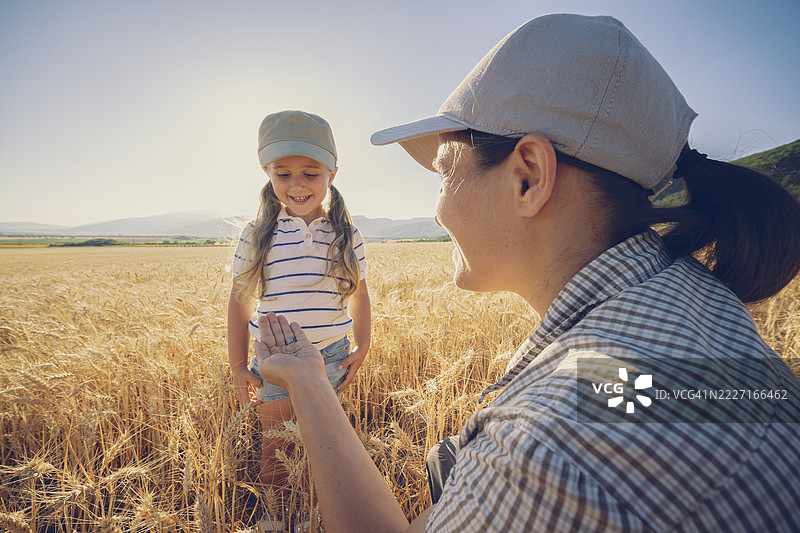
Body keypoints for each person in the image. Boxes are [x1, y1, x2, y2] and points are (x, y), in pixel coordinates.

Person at [252, 14, 800, 533]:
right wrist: (312, 379)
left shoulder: (546, 447)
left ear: (528, 178)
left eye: (445, 173)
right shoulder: (693, 295)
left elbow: (570, 447)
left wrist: (306, 382)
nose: (438, 211)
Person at [227, 110, 370, 532]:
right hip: (274, 360)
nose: (297, 185)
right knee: (275, 449)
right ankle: (277, 519)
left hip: (331, 358)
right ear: (268, 175)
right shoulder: (258, 233)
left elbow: (360, 295)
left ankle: (317, 517)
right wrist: (238, 365)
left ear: (332, 174)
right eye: (283, 174)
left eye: (310, 173)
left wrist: (363, 345)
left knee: (324, 448)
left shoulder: (346, 234)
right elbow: (240, 301)